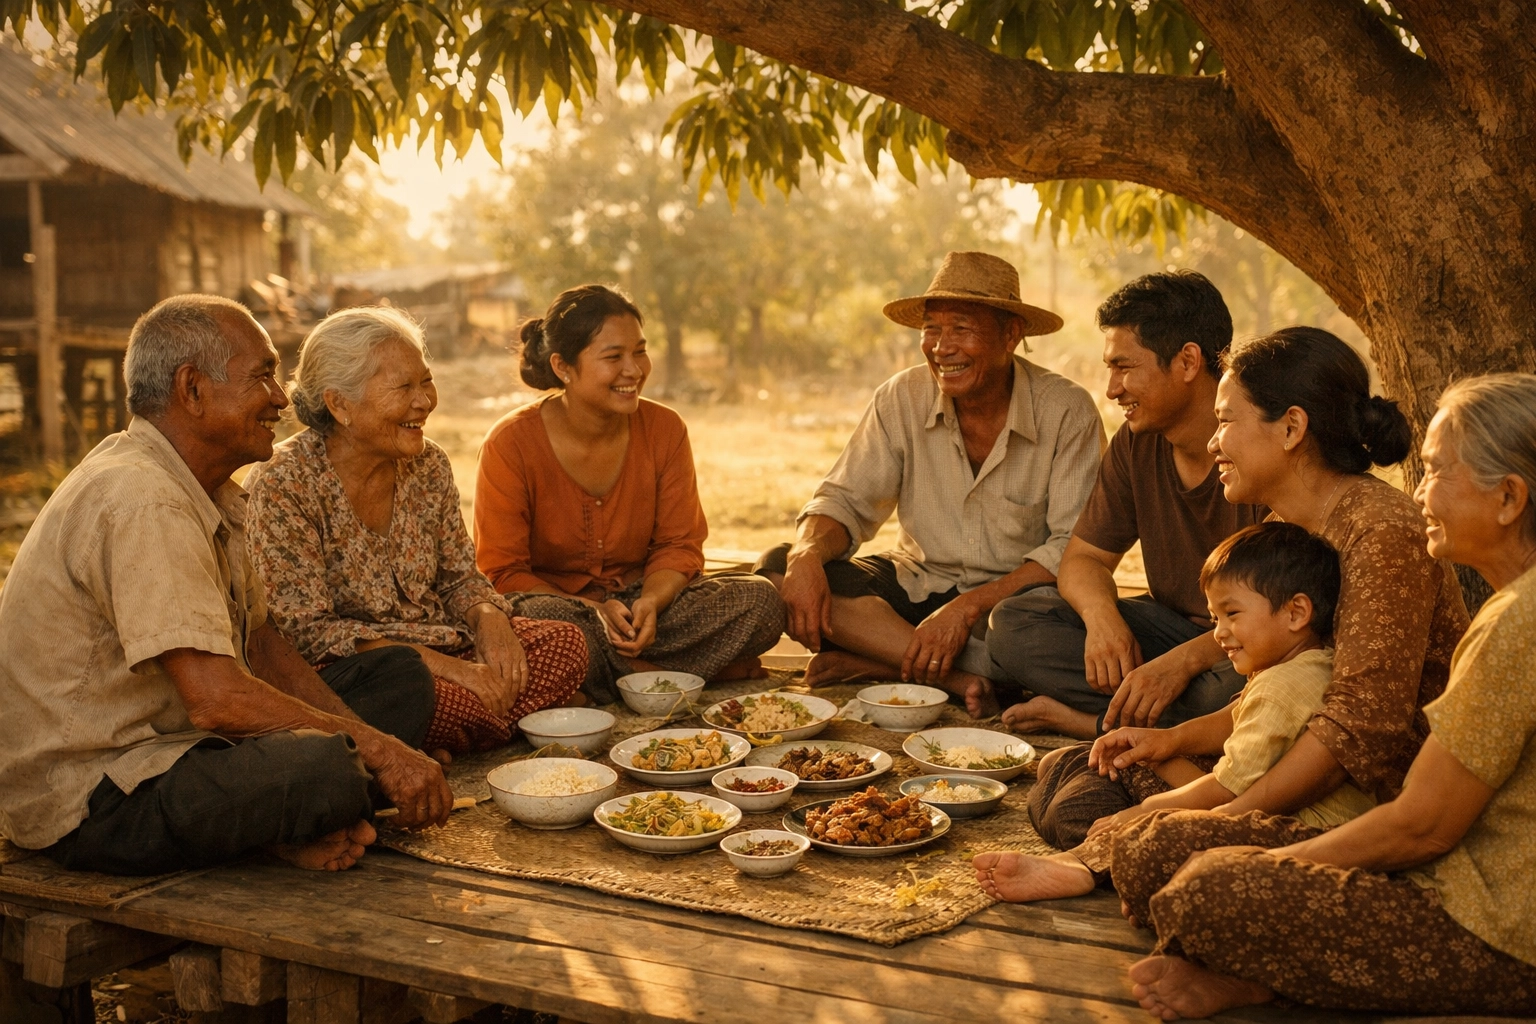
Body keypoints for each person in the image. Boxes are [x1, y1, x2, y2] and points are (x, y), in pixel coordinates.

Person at [1115, 373, 1536, 1020]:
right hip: (1452, 868)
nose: (1419, 494)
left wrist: (1270, 864)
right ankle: (1253, 976)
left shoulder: (1516, 622)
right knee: (1161, 855)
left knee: (1199, 889)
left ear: (1508, 498)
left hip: (1496, 927)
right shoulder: (1512, 607)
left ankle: (1253, 974)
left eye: (1433, 472)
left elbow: (1421, 827)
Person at [0, 295, 452, 875]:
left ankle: (301, 818)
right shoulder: (144, 497)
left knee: (398, 679)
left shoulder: (202, 485)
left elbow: (262, 646)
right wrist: (379, 752)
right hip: (94, 796)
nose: (281, 398)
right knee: (327, 769)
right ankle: (300, 817)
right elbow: (215, 701)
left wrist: (369, 739)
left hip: (179, 748)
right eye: (262, 376)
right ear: (192, 390)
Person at [1013, 326, 1468, 850]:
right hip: (1284, 758)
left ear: (1292, 427)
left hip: (1364, 804)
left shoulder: (1381, 530)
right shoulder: (1289, 525)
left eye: (1225, 420)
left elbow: (1356, 733)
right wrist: (1171, 740)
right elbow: (1265, 700)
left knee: (1110, 821)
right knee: (1086, 772)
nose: (1212, 441)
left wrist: (1221, 816)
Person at [756, 251, 1103, 717]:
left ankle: (884, 658)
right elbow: (844, 501)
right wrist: (805, 555)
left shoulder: (1066, 410)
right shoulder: (902, 396)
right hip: (917, 591)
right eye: (932, 329)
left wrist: (966, 610)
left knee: (1030, 640)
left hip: (1013, 606)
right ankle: (958, 678)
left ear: (1011, 335)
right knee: (781, 567)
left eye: (961, 328)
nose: (942, 347)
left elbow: (1071, 548)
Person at [247, 307, 588, 759]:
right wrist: (451, 671)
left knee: (565, 644)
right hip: (369, 672)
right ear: (339, 404)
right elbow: (307, 632)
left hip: (444, 642)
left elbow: (459, 577)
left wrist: (489, 620)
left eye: (425, 381)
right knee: (411, 692)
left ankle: (434, 739)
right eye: (403, 387)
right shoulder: (284, 482)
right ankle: (455, 731)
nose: (424, 401)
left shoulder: (428, 464)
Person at [974, 521, 1374, 904]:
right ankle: (1081, 808)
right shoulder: (1303, 664)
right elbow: (1235, 718)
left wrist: (1141, 811)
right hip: (1243, 798)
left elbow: (1226, 793)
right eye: (1216, 618)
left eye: (1232, 614)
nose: (1218, 633)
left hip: (1288, 830)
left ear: (1296, 612)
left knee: (1085, 798)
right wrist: (1167, 740)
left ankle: (1085, 863)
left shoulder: (1282, 686)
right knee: (1080, 765)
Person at [989, 271, 1266, 741]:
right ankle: (1169, 722)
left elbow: (1284, 617)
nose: (1112, 389)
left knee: (1240, 690)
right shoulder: (1136, 443)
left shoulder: (1258, 447)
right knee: (1016, 622)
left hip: (1246, 645)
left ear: (1187, 361)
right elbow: (1083, 560)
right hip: (1167, 629)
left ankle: (1092, 721)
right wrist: (1103, 622)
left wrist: (1182, 664)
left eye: (1124, 367)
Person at [474, 285, 784, 704]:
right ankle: (660, 677)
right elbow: (503, 574)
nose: (634, 370)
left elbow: (680, 545)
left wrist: (652, 603)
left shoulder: (665, 430)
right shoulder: (510, 443)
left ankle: (599, 683)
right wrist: (592, 611)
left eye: (640, 352)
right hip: (562, 612)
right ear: (563, 367)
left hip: (646, 611)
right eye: (613, 357)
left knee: (762, 601)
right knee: (540, 622)